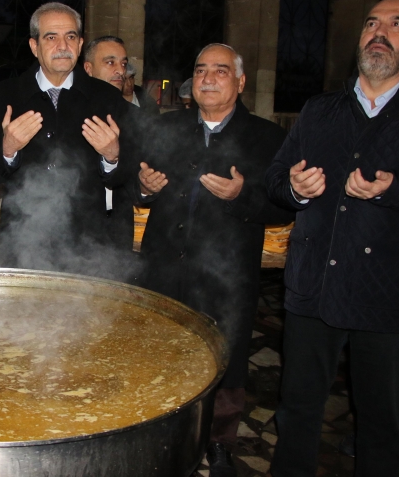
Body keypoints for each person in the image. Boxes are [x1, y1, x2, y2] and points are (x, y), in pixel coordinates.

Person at [266, 0, 399, 477]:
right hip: (313, 290)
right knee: (297, 413)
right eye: (372, 23)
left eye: (396, 24)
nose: (380, 32)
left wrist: (394, 188)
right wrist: (294, 189)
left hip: (385, 296)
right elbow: (277, 178)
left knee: (381, 425)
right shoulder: (321, 108)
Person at [137, 43, 293, 476]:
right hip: (164, 264)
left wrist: (243, 195)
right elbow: (138, 184)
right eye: (201, 69)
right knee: (161, 353)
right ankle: (159, 431)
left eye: (220, 71)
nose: (207, 77)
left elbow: (285, 203)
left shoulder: (268, 137)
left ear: (240, 82)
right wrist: (146, 188)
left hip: (227, 273)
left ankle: (219, 442)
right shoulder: (165, 128)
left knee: (226, 358)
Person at [0, 2, 135, 277]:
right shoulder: (5, 96)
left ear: (81, 43)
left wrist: (112, 156)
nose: (63, 45)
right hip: (22, 240)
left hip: (87, 249)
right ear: (33, 46)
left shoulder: (107, 98)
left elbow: (128, 179)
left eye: (71, 37)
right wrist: (8, 148)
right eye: (51, 37)